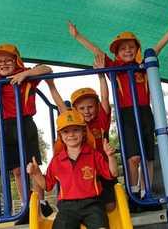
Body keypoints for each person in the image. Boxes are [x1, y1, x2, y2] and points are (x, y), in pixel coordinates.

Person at [68, 18, 168, 212]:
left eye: (131, 47)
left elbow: (155, 50)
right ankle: (133, 194)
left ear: (136, 49)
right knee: (133, 158)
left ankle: (146, 193)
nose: (128, 51)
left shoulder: (142, 65)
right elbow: (98, 52)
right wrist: (78, 36)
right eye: (123, 48)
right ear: (116, 53)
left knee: (148, 157)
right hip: (126, 115)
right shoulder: (115, 69)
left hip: (144, 113)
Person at [0, 43, 53, 223]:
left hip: (25, 122)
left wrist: (26, 74)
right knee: (16, 170)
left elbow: (48, 68)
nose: (4, 64)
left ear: (17, 61)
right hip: (6, 126)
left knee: (32, 166)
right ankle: (26, 207)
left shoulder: (26, 75)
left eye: (8, 60)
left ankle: (41, 203)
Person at [46, 54, 117, 211]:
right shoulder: (74, 123)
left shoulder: (101, 120)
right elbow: (60, 106)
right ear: (75, 110)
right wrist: (51, 86)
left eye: (90, 107)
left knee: (111, 206)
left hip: (102, 166)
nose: (87, 111)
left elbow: (105, 97)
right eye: (82, 108)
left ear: (97, 107)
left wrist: (101, 76)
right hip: (83, 169)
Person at [27, 110, 118, 229]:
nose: (71, 135)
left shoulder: (94, 155)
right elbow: (47, 185)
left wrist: (110, 157)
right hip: (67, 207)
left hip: (92, 204)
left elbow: (113, 173)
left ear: (83, 132)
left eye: (76, 130)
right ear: (61, 136)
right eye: (66, 131)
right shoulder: (57, 161)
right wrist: (36, 173)